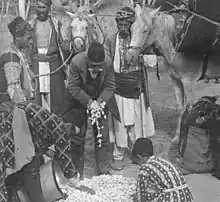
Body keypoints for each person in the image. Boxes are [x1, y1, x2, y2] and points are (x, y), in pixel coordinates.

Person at [0, 17, 80, 202]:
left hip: (19, 112)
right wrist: (32, 113)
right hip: (13, 113)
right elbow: (14, 88)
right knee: (51, 132)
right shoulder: (11, 57)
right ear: (18, 37)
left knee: (32, 155)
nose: (30, 42)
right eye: (27, 38)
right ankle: (64, 174)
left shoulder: (18, 54)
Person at [104, 6, 155, 171]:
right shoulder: (111, 40)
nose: (123, 28)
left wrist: (142, 58)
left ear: (132, 24)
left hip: (136, 88)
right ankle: (118, 155)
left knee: (136, 124)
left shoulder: (140, 40)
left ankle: (137, 153)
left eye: (126, 24)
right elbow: (105, 60)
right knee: (119, 124)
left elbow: (155, 60)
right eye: (120, 24)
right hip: (118, 88)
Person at [66, 41, 120, 177]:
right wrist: (89, 102)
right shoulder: (76, 62)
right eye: (93, 65)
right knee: (78, 135)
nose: (96, 68)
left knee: (103, 136)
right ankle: (77, 172)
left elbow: (110, 86)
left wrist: (100, 102)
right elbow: (73, 87)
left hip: (99, 98)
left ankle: (104, 170)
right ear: (87, 60)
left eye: (99, 66)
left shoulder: (107, 63)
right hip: (79, 100)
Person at [30, 0, 73, 115]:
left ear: (49, 8)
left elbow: (63, 44)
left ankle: (56, 125)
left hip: (53, 64)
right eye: (38, 7)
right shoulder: (30, 24)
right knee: (36, 95)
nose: (40, 10)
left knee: (56, 96)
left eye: (43, 7)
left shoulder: (56, 24)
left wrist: (71, 46)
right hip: (36, 64)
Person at [132, 138, 194, 202]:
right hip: (186, 197)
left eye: (137, 162)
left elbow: (141, 196)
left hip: (171, 198)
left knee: (148, 193)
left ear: (139, 157)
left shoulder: (145, 168)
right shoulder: (163, 162)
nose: (139, 165)